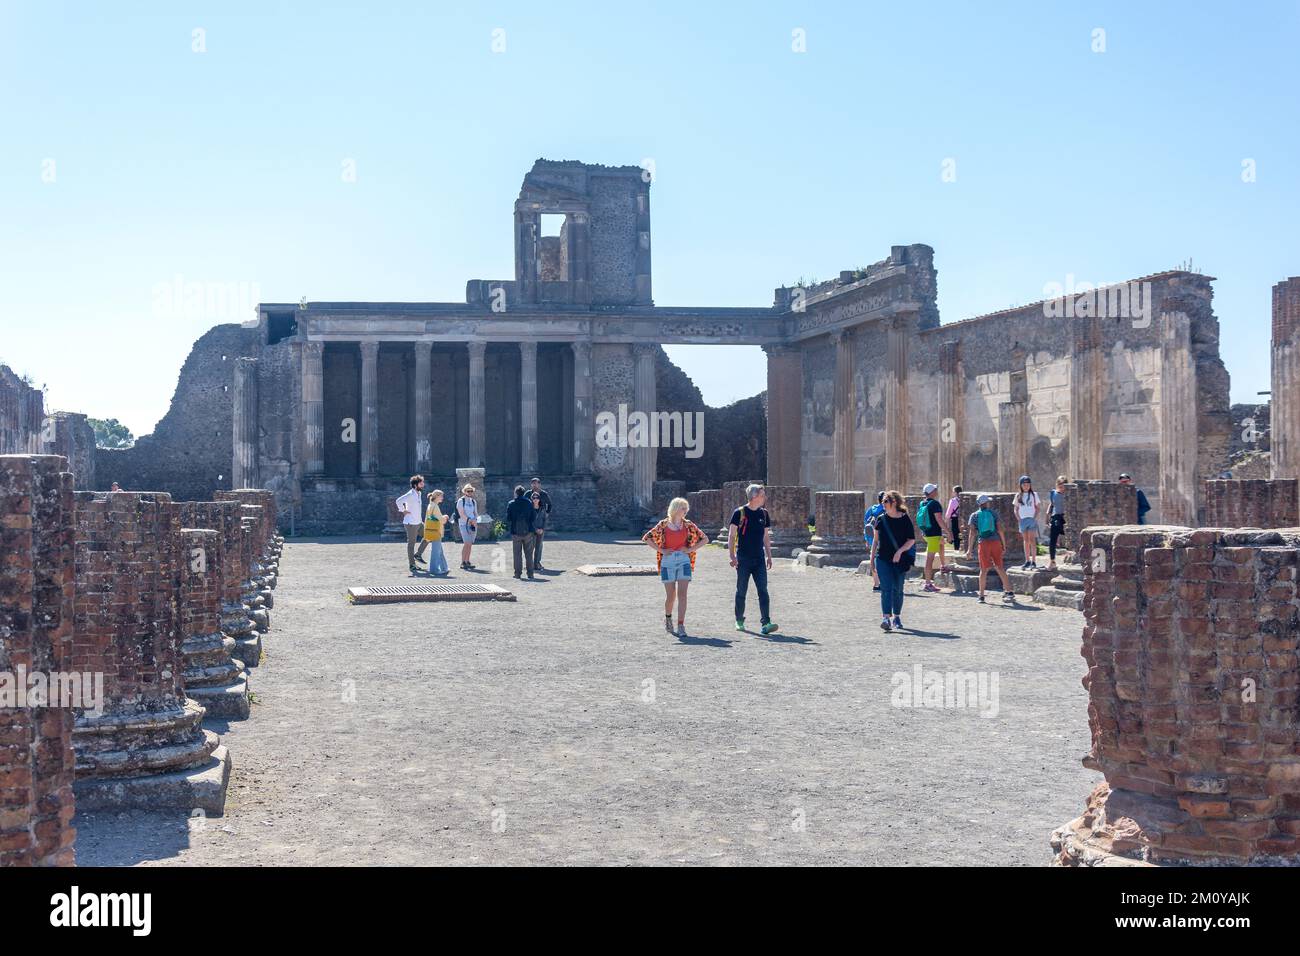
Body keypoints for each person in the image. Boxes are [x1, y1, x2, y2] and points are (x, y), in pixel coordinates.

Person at [641, 496, 709, 637]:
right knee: (671, 596)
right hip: (667, 561)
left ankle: (681, 625)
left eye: (686, 508)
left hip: (684, 560)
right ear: (676, 509)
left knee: (682, 594)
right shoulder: (663, 525)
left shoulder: (688, 525)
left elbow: (705, 539)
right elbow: (647, 537)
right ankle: (668, 618)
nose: (686, 511)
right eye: (683, 508)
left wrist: (690, 550)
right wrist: (662, 551)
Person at [729, 483, 779, 635]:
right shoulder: (740, 513)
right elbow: (731, 535)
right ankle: (739, 620)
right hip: (743, 558)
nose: (765, 497)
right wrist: (732, 555)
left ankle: (766, 623)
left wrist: (769, 556)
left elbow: (765, 536)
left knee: (763, 590)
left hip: (759, 559)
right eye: (763, 495)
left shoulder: (764, 514)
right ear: (754, 496)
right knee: (741, 590)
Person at [868, 490, 916, 631]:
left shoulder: (905, 519)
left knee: (898, 589)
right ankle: (886, 619)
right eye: (882, 501)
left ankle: (897, 616)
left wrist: (900, 551)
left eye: (885, 502)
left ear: (894, 502)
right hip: (882, 559)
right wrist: (871, 560)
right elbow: (875, 541)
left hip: (899, 560)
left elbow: (911, 540)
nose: (882, 504)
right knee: (886, 589)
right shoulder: (880, 519)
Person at [967, 494, 1015, 604]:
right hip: (995, 542)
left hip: (983, 543)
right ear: (986, 503)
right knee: (1000, 567)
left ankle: (981, 596)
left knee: (983, 570)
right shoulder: (994, 513)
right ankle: (1009, 591)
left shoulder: (974, 516)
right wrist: (1003, 544)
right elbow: (1000, 530)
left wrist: (969, 549)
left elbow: (972, 533)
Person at [916, 482, 951, 593]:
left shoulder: (923, 503)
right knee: (929, 559)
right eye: (935, 489)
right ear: (932, 492)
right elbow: (939, 520)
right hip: (933, 534)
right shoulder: (935, 504)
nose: (937, 491)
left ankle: (943, 565)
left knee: (941, 543)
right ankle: (927, 584)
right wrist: (948, 532)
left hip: (927, 533)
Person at [395, 475, 427, 574]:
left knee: (429, 536)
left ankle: (418, 554)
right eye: (421, 483)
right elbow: (398, 501)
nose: (423, 484)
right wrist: (403, 510)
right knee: (411, 544)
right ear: (415, 484)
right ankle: (412, 565)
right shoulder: (410, 494)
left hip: (419, 522)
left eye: (423, 482)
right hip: (410, 523)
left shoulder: (419, 493)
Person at [505, 485, 537, 580]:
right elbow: (533, 517)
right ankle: (530, 573)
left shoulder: (511, 503)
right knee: (529, 554)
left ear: (515, 493)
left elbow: (508, 518)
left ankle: (517, 573)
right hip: (528, 531)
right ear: (523, 493)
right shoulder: (529, 503)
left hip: (516, 531)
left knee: (517, 554)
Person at [1014, 475, 1042, 569]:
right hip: (1022, 520)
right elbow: (1016, 508)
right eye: (1024, 484)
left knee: (1032, 540)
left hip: (1031, 519)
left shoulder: (1034, 495)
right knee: (1025, 540)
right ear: (1021, 485)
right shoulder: (1018, 495)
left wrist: (1034, 518)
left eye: (1028, 484)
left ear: (1030, 485)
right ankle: (1027, 560)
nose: (1026, 486)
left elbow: (1038, 508)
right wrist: (1019, 519)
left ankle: (1033, 561)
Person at [422, 489, 450, 576]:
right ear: (437, 496)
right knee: (436, 551)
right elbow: (440, 520)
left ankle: (444, 567)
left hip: (431, 530)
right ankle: (434, 569)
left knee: (439, 550)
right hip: (436, 531)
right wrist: (445, 517)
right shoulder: (435, 506)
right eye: (441, 496)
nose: (442, 498)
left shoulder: (431, 505)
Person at [863, 492, 886, 592]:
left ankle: (876, 584)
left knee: (873, 561)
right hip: (882, 539)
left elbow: (866, 524)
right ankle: (883, 583)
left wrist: (867, 539)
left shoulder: (871, 509)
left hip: (872, 538)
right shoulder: (886, 510)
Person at [529, 478, 552, 569]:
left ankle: (537, 562)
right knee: (530, 545)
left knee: (539, 545)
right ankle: (529, 562)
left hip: (541, 521)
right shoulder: (527, 493)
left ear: (539, 484)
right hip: (530, 523)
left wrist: (546, 514)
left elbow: (550, 504)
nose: (534, 485)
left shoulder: (544, 494)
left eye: (536, 483)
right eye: (533, 483)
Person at [456, 484, 479, 570]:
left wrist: (475, 520)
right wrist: (470, 520)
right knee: (466, 543)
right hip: (464, 524)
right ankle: (463, 562)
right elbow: (461, 514)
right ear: (464, 491)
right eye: (468, 491)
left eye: (471, 491)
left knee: (470, 544)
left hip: (472, 524)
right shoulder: (461, 501)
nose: (470, 492)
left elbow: (475, 513)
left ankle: (467, 561)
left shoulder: (473, 501)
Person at [1047, 475, 1068, 572]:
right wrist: (1047, 515)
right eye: (1059, 484)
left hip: (1066, 517)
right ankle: (1052, 561)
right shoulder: (1053, 493)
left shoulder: (1069, 493)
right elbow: (1051, 505)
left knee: (1070, 537)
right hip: (1056, 517)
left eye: (1063, 485)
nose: (1061, 486)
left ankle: (1070, 556)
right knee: (1053, 540)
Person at [946, 485, 963, 557]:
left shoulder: (953, 501)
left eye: (953, 491)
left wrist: (947, 520)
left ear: (956, 492)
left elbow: (948, 513)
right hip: (962, 519)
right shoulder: (964, 500)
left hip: (955, 519)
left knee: (956, 536)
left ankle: (956, 550)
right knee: (962, 535)